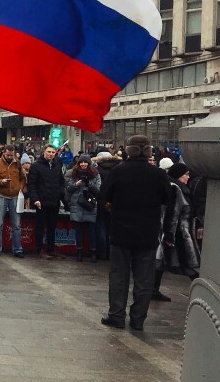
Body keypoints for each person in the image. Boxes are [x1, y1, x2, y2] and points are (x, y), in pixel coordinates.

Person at [100, 134, 172, 332]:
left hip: (121, 231)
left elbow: (103, 195)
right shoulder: (158, 174)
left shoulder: (118, 171)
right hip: (147, 233)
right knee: (144, 278)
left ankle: (116, 315)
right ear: (149, 151)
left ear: (128, 151)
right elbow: (168, 199)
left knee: (118, 276)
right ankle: (138, 318)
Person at [160, 162, 201, 281]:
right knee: (190, 263)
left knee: (162, 259)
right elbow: (172, 213)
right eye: (186, 174)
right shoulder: (176, 188)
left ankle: (153, 289)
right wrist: (169, 235)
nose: (188, 177)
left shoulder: (180, 188)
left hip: (180, 230)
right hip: (180, 232)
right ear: (178, 174)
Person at [0, 143, 25, 257]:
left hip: (15, 196)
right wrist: (0, 182)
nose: (10, 157)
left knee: (16, 225)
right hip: (0, 195)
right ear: (4, 153)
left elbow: (23, 178)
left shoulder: (17, 164)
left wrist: (20, 188)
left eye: (11, 155)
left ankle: (17, 249)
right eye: (8, 155)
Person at [27, 145, 66, 258]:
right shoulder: (36, 166)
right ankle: (39, 249)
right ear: (44, 152)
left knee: (52, 226)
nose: (51, 154)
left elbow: (61, 181)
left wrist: (60, 193)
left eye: (53, 152)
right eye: (49, 152)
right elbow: (31, 184)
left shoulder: (57, 165)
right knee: (40, 226)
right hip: (41, 202)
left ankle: (51, 248)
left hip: (54, 201)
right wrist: (35, 199)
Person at [66, 154, 101, 262]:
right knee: (78, 231)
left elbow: (98, 191)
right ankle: (79, 251)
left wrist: (89, 184)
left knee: (92, 231)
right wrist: (75, 184)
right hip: (77, 205)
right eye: (81, 162)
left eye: (85, 162)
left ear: (89, 163)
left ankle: (93, 252)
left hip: (89, 205)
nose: (83, 164)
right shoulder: (74, 174)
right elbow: (68, 189)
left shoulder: (95, 174)